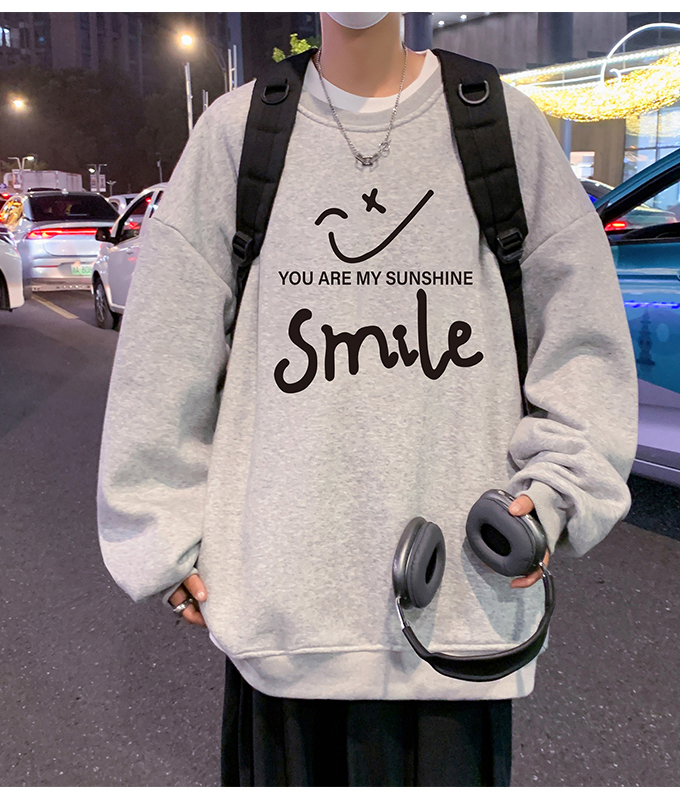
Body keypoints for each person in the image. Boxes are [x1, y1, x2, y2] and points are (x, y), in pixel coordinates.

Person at [97, 11, 638, 787]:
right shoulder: (239, 135)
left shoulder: (500, 126)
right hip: (283, 632)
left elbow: (583, 336)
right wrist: (160, 531)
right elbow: (165, 351)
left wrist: (559, 493)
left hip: (462, 621)